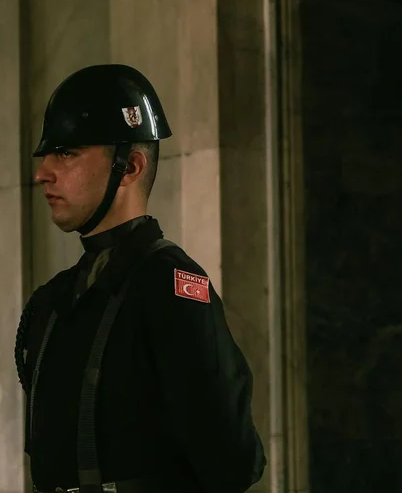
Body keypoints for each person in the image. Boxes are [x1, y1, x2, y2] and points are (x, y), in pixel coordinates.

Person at [15, 64, 266, 493]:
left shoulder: (172, 287)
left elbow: (233, 461)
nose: (43, 172)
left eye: (67, 152)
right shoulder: (50, 302)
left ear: (129, 166)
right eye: (47, 155)